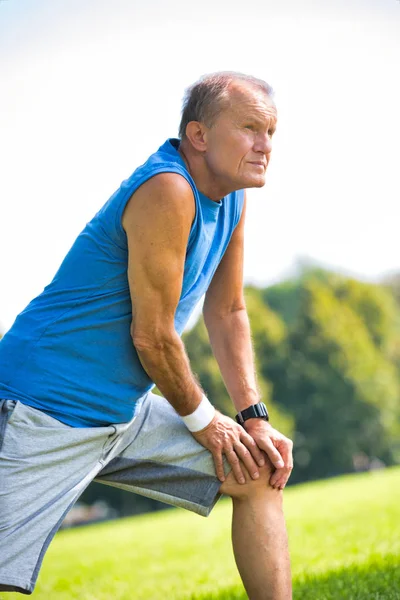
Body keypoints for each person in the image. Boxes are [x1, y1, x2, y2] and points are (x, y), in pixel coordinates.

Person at [0, 71, 293, 600]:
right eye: (250, 128)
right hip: (41, 408)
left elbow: (227, 311)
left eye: (271, 132)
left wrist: (253, 418)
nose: (265, 145)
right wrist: (207, 422)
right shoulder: (169, 188)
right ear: (199, 135)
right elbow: (153, 338)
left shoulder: (231, 198)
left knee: (256, 473)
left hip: (122, 411)